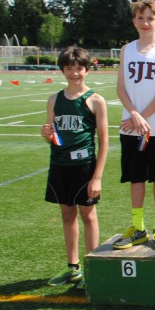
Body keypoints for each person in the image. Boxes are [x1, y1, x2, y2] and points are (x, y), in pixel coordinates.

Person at [41, 46, 108, 289]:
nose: (74, 73)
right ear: (62, 70)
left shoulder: (95, 100)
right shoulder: (54, 100)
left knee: (88, 215)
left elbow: (104, 142)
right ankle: (73, 267)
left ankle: (92, 267)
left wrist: (97, 177)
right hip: (59, 165)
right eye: (69, 68)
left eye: (79, 68)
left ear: (87, 70)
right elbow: (51, 135)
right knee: (67, 214)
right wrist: (46, 134)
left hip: (84, 167)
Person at [113, 0, 155, 250]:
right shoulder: (126, 49)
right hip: (130, 124)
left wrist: (143, 116)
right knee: (136, 178)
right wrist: (134, 114)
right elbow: (120, 88)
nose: (145, 22)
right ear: (134, 21)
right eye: (140, 18)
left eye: (150, 18)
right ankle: (138, 227)